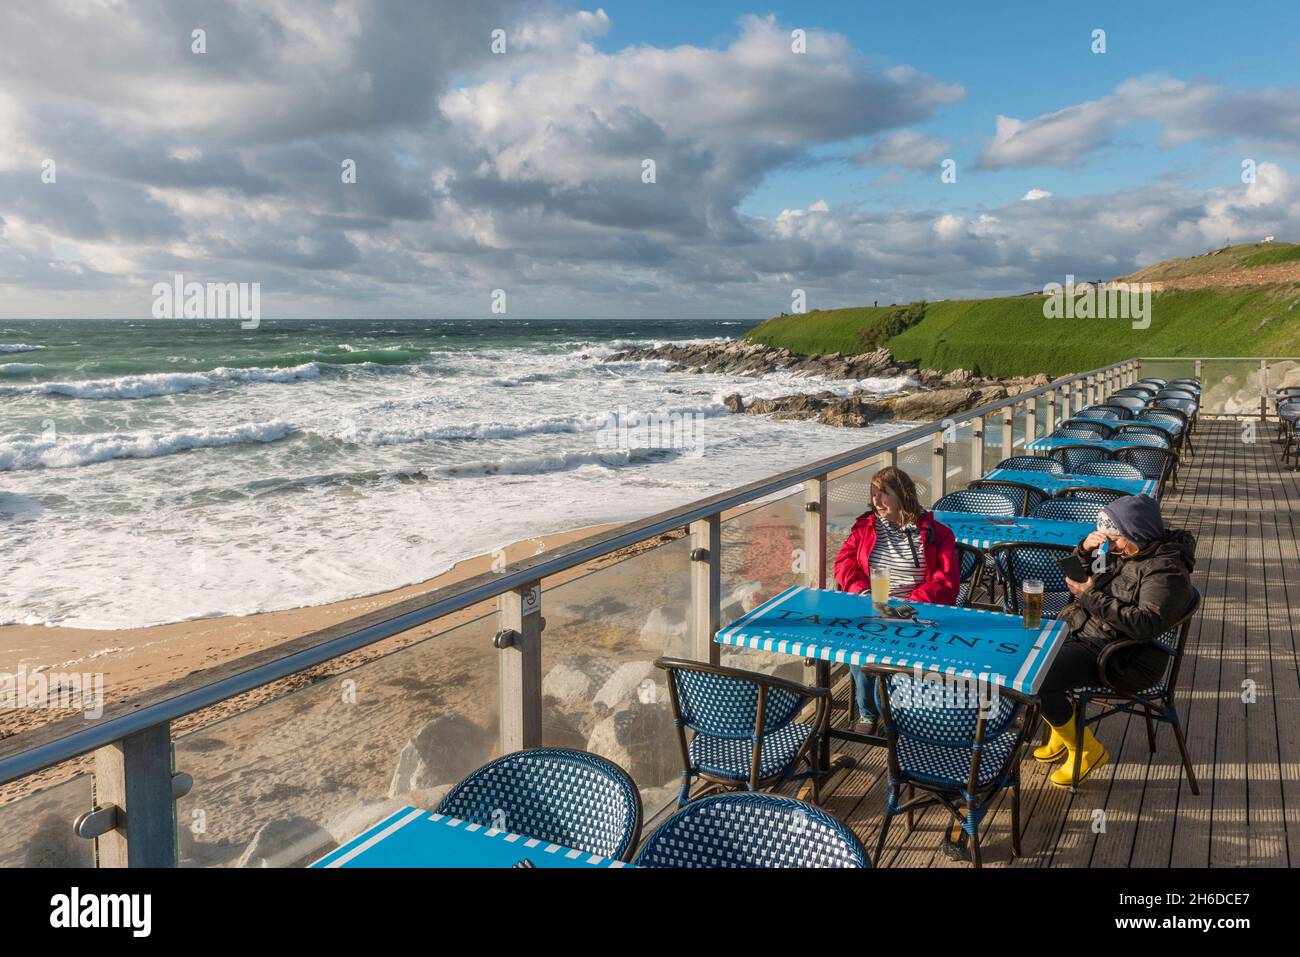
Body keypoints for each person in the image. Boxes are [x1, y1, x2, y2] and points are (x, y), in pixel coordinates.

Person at [1033, 494, 1196, 788]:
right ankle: (1062, 726)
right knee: (1029, 656)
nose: (1112, 543)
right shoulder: (1132, 553)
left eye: (1117, 536)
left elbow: (1144, 625)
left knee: (1039, 676)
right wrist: (1084, 551)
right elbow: (1096, 577)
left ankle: (1086, 749)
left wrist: (1088, 595)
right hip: (1092, 635)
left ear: (1137, 534)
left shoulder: (1166, 573)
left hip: (1123, 658)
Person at [832, 466, 960, 719]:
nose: (876, 501)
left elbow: (946, 581)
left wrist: (909, 606)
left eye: (883, 494)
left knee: (899, 661)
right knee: (860, 656)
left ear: (903, 495)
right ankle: (868, 713)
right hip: (872, 605)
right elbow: (843, 563)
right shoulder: (865, 527)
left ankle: (896, 716)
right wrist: (863, 590)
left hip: (916, 611)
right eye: (873, 494)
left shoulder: (938, 533)